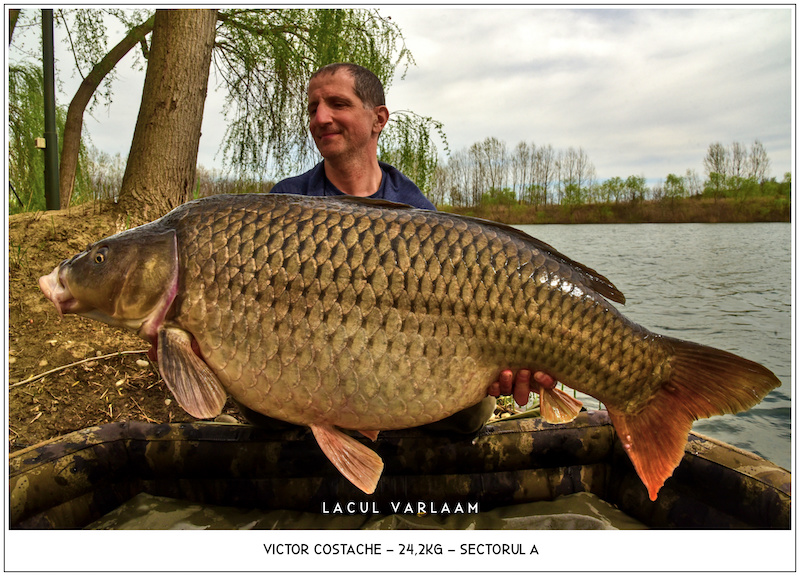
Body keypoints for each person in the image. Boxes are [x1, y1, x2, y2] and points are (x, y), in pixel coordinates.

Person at [267, 62, 562, 434]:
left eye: (337, 104)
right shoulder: (287, 202)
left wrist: (498, 366)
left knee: (473, 412)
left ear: (378, 119)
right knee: (257, 403)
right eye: (313, 108)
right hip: (311, 362)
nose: (320, 118)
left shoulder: (417, 211)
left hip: (402, 363)